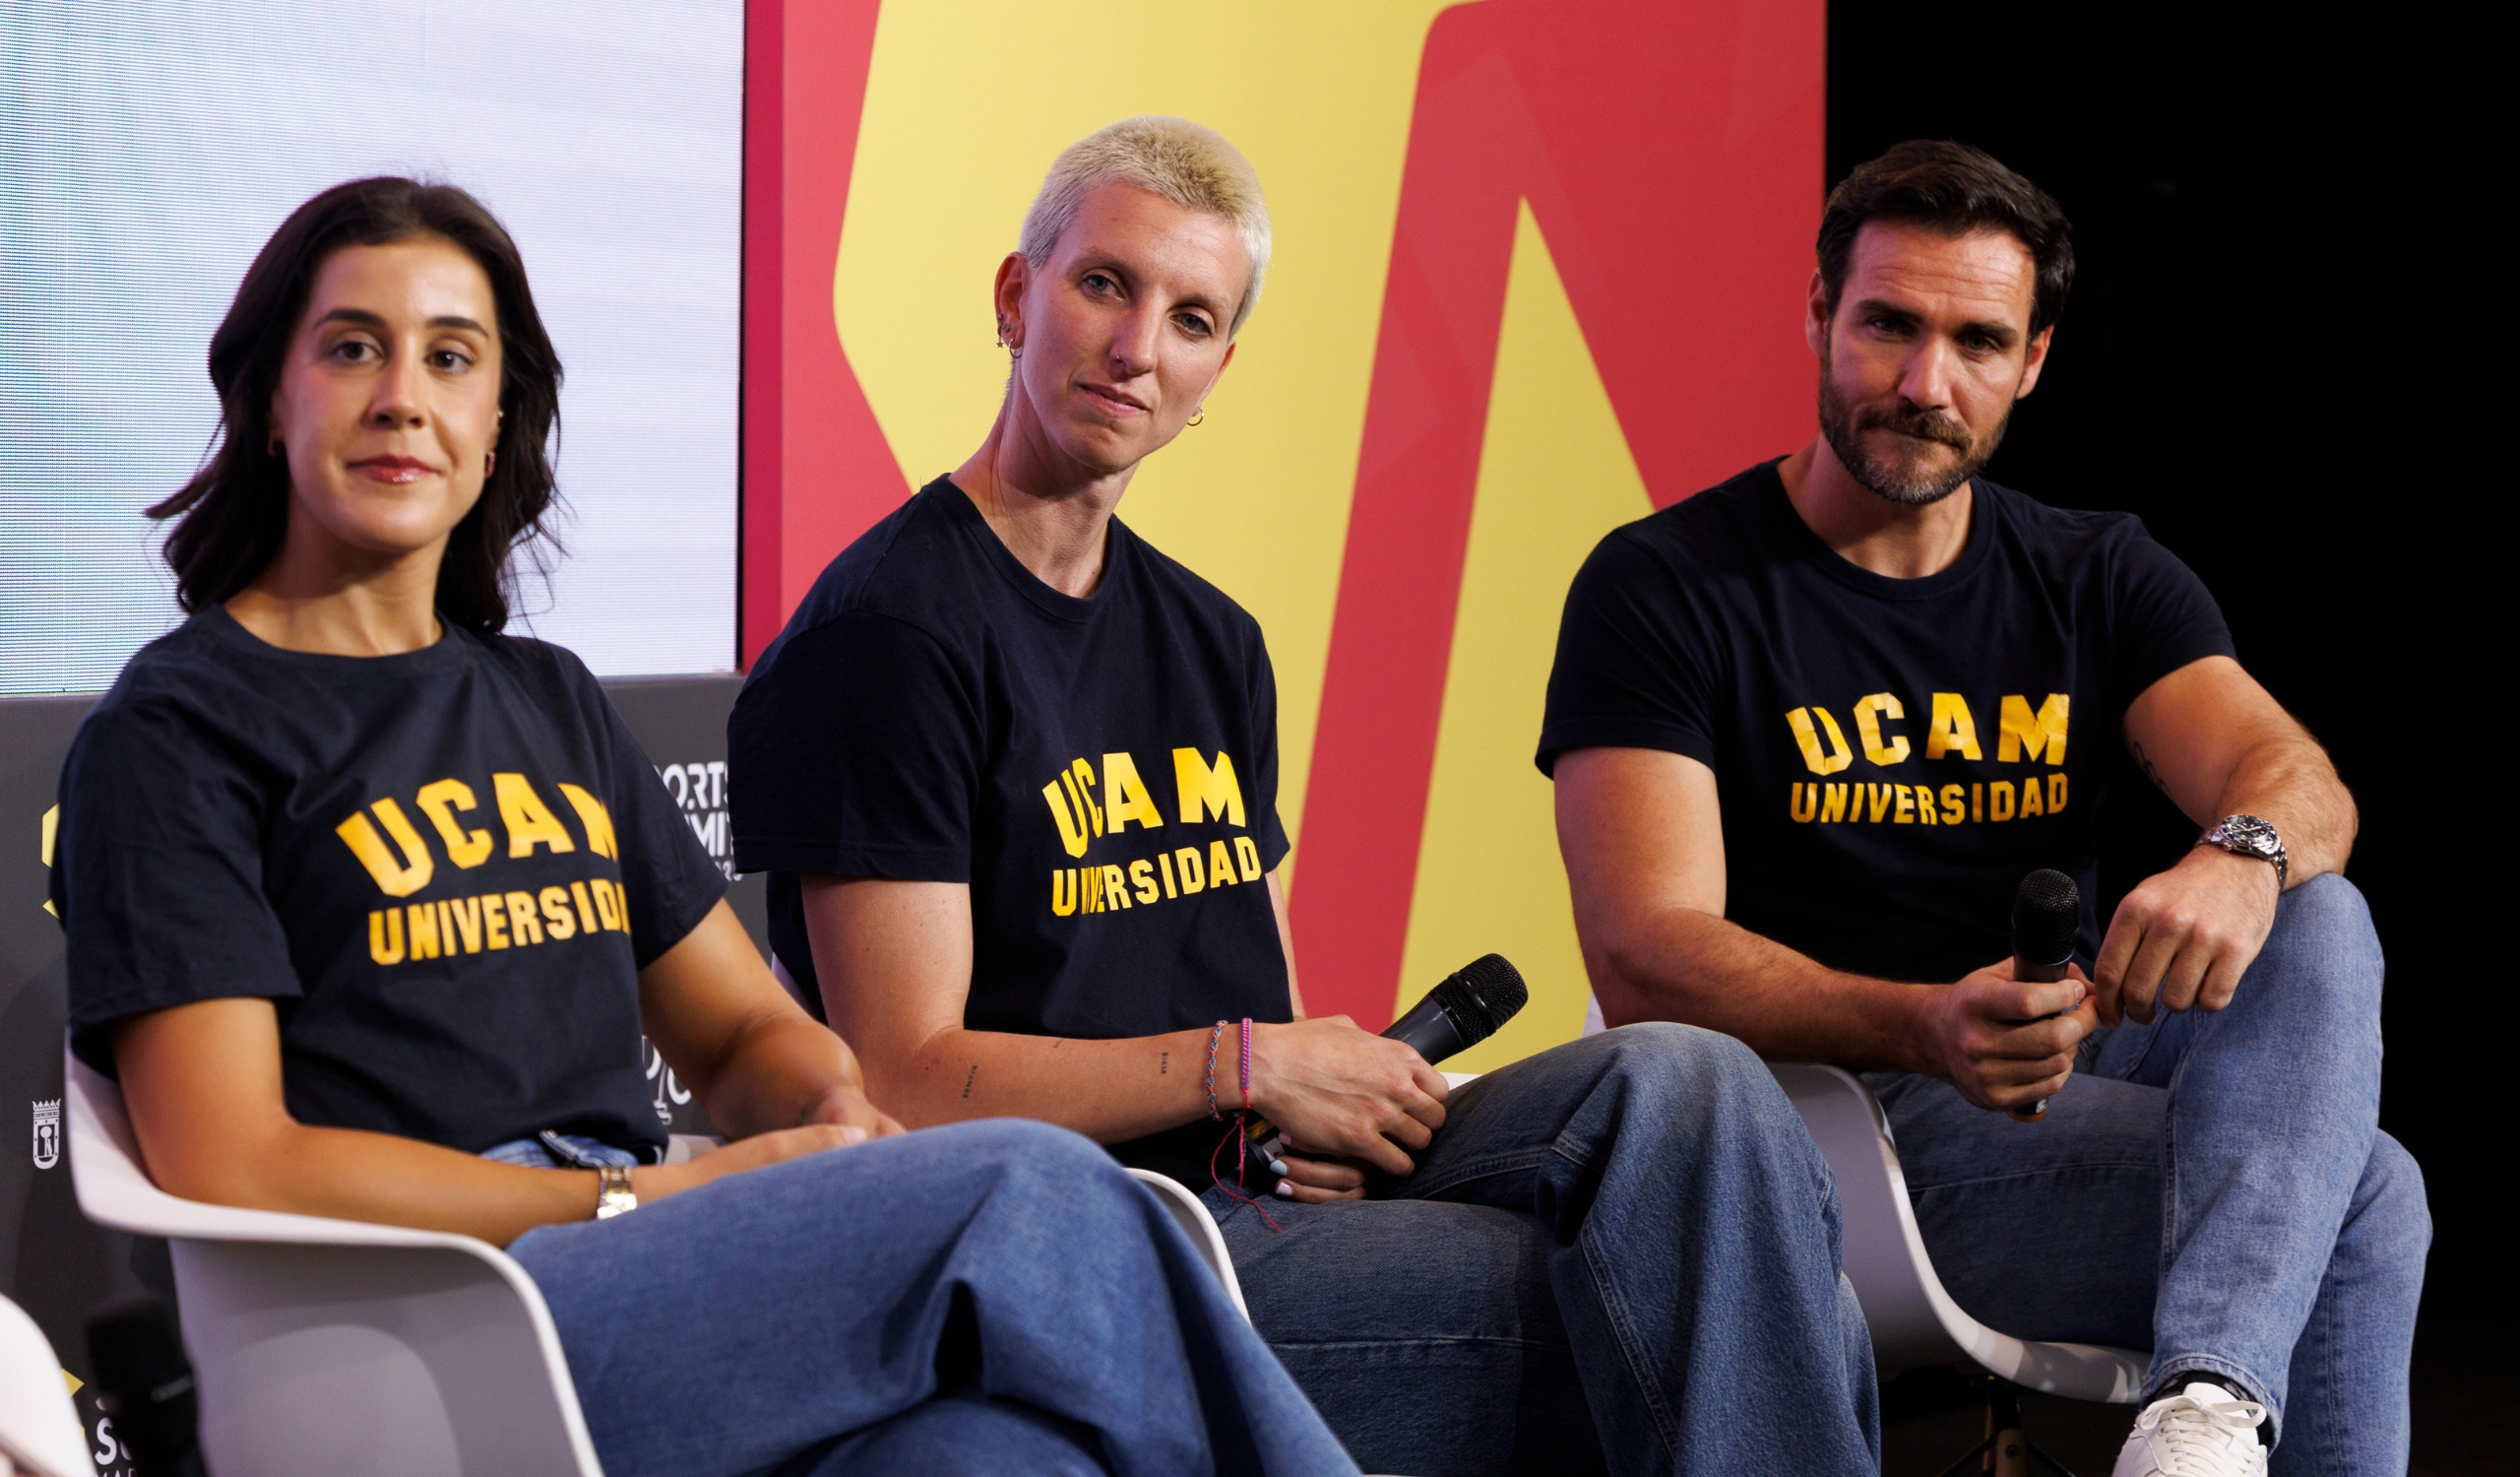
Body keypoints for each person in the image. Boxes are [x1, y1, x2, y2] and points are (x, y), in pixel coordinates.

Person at [52, 175, 1355, 1477]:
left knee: (998, 1456)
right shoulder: (179, 733)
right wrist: (637, 1197)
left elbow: (738, 1030)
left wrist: (826, 1107)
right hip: (414, 1325)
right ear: (268, 399)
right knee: (1028, 1192)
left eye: (450, 358)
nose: (402, 395)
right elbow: (235, 1161)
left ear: (497, 421)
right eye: (352, 349)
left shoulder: (547, 700)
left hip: (635, 1270)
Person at [729, 116, 1880, 1477]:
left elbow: (1252, 995)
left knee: (1691, 1081)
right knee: (1750, 1300)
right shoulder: (890, 634)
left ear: (1219, 369)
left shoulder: (1213, 640)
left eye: (1191, 318)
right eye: (1103, 285)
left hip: (1259, 1186)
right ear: (1014, 296)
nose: (1137, 347)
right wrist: (1248, 1066)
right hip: (1106, 1244)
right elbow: (907, 1081)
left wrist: (1300, 1103)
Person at [1541, 140, 2427, 1477]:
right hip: (1839, 1117)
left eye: (1977, 341)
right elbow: (1643, 955)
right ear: (1818, 316)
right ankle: (2209, 1407)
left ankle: (2203, 1407)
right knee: (2369, 1195)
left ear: (2034, 360)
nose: (1925, 384)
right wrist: (1923, 1022)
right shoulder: (1663, 584)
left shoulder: (2095, 569)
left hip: (2065, 1059)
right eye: (1888, 325)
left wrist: (2238, 857)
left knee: (2319, 911)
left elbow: (2296, 780)